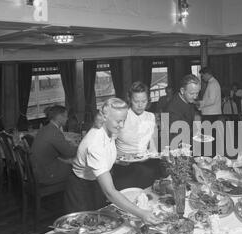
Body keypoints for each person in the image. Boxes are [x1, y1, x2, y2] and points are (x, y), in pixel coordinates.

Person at [64, 97, 161, 225]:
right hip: (81, 188)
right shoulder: (95, 144)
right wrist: (141, 213)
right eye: (118, 121)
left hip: (95, 183)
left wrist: (117, 160)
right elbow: (110, 192)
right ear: (105, 118)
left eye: (124, 121)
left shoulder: (111, 129)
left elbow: (107, 152)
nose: (121, 126)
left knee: (100, 223)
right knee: (83, 227)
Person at [113, 81, 161, 190]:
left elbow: (153, 144)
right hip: (123, 168)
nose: (140, 105)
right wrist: (117, 159)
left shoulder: (150, 116)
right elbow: (109, 142)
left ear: (148, 100)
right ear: (130, 99)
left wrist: (156, 156)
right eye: (136, 101)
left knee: (147, 199)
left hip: (145, 166)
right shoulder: (121, 116)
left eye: (143, 101)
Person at [30, 105, 77, 185]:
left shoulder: (44, 129)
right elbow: (69, 152)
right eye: (65, 116)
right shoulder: (54, 132)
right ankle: (75, 194)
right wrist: (82, 146)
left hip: (37, 170)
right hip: (46, 174)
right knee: (78, 168)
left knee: (70, 162)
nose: (67, 119)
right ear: (59, 117)